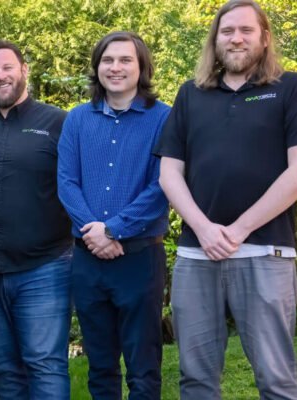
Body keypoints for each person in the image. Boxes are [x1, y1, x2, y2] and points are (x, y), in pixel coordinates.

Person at [154, 1, 297, 398]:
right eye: (227, 31)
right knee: (195, 380)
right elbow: (169, 174)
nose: (236, 38)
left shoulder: (291, 88)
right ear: (215, 40)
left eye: (246, 30)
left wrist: (239, 230)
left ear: (265, 38)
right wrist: (204, 230)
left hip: (265, 253)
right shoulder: (191, 94)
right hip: (197, 255)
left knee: (277, 381)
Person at [0, 40, 72, 399]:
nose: (0, 76)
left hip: (45, 267)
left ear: (24, 70)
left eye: (7, 68)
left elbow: (76, 186)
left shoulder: (58, 123)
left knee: (45, 365)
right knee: (3, 368)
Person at [57, 32, 170, 400]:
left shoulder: (164, 118)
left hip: (140, 259)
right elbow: (66, 182)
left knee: (143, 368)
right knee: (101, 367)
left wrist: (114, 230)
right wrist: (96, 233)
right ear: (97, 67)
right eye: (108, 60)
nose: (115, 67)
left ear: (142, 67)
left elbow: (163, 184)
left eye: (125, 60)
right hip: (88, 261)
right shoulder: (77, 119)